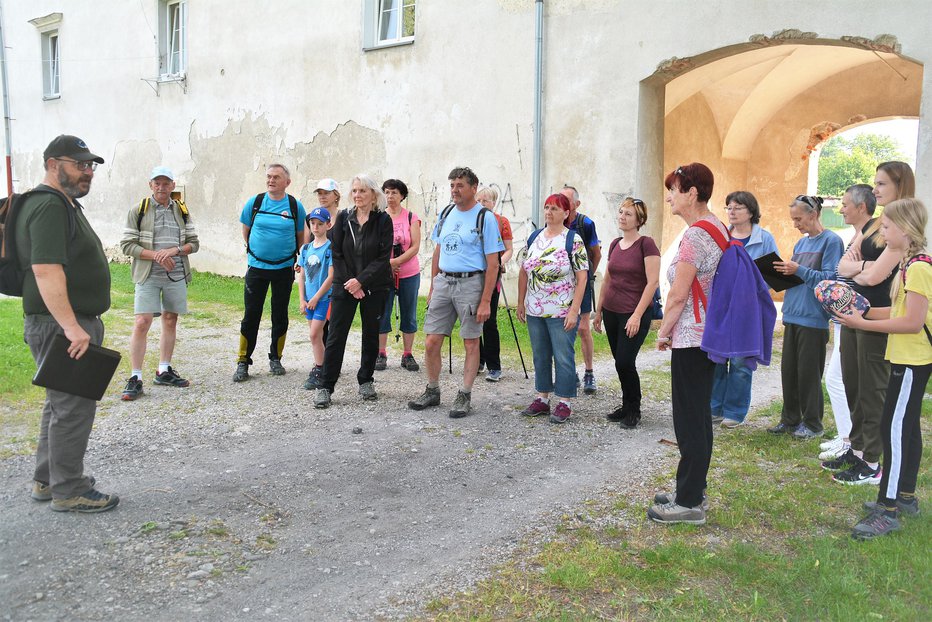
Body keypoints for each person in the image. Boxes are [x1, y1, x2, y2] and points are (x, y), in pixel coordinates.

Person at [16, 134, 118, 512]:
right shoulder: (49, 206)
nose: (87, 172)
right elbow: (45, 270)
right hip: (63, 325)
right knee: (73, 407)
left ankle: (47, 480)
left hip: (62, 322)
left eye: (90, 166)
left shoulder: (61, 203)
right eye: (79, 164)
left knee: (59, 405)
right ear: (52, 164)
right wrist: (73, 327)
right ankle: (69, 489)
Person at [835, 198, 930, 539]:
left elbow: (912, 322)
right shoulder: (910, 264)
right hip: (905, 359)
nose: (882, 231)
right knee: (904, 429)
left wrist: (864, 326)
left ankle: (887, 508)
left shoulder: (919, 267)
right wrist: (860, 315)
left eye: (887, 227)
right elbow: (895, 312)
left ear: (905, 230)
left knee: (894, 433)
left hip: (911, 360)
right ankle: (904, 497)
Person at [647, 163, 726, 526]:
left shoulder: (696, 235)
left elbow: (677, 296)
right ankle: (692, 489)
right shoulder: (717, 227)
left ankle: (689, 502)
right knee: (699, 418)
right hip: (707, 335)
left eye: (675, 190)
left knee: (690, 420)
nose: (669, 197)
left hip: (693, 337)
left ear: (692, 192)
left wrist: (664, 332)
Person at [828, 162, 914, 484]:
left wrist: (860, 267)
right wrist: (863, 267)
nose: (875, 189)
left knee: (872, 389)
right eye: (875, 183)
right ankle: (858, 448)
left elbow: (876, 274)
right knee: (854, 383)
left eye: (882, 183)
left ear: (899, 184)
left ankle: (872, 462)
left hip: (877, 314)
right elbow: (842, 265)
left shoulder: (903, 221)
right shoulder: (877, 224)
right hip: (854, 311)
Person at [408, 167, 505, 418]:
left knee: (471, 341)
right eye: (452, 185)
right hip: (444, 282)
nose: (454, 190)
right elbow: (438, 250)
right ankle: (432, 389)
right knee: (431, 340)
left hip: (471, 283)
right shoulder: (447, 212)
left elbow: (493, 263)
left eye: (460, 185)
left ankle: (465, 394)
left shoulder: (485, 218)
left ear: (474, 188)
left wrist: (485, 301)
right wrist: (433, 284)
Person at [119, 166, 200, 400]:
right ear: (150, 185)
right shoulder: (139, 210)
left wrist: (173, 251)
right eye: (157, 183)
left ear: (173, 186)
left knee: (170, 319)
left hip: (175, 275)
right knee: (142, 321)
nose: (161, 187)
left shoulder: (182, 211)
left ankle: (163, 370)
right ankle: (135, 377)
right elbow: (127, 245)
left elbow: (194, 243)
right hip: (148, 275)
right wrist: (156, 255)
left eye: (166, 183)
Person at [766, 195, 843, 439]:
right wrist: (781, 274)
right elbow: (801, 276)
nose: (795, 224)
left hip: (814, 317)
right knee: (789, 371)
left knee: (809, 374)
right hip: (793, 314)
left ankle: (813, 425)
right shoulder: (801, 244)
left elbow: (830, 280)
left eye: (798, 219)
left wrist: (798, 270)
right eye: (793, 219)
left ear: (813, 214)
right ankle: (790, 420)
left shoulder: (831, 241)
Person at [314, 174, 393, 408]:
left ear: (373, 195)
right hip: (344, 285)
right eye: (355, 191)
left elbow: (383, 257)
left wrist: (361, 281)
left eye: (363, 191)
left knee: (371, 334)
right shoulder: (343, 219)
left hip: (373, 286)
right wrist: (351, 281)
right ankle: (326, 386)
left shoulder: (382, 221)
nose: (358, 195)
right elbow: (336, 254)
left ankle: (366, 380)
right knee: (336, 335)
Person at [517, 193, 588, 423]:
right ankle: (543, 398)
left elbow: (582, 277)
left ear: (566, 213)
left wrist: (575, 309)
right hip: (535, 309)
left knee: (563, 355)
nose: (549, 212)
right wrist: (521, 301)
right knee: (540, 355)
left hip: (561, 310)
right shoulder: (535, 237)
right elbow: (524, 270)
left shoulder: (573, 240)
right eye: (547, 207)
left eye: (555, 208)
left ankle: (565, 401)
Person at [709, 191, 777, 428]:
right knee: (717, 356)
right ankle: (714, 407)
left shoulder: (763, 239)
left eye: (737, 207)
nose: (731, 211)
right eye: (728, 207)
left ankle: (734, 412)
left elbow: (772, 275)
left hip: (749, 309)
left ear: (750, 210)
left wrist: (748, 289)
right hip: (722, 306)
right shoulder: (722, 237)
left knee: (740, 360)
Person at [233, 164, 306, 382]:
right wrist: (256, 252)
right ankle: (243, 361)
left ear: (287, 182)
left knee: (280, 314)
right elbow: (246, 231)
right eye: (268, 177)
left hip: (284, 269)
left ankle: (276, 358)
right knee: (251, 315)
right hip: (257, 269)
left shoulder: (295, 206)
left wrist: (293, 257)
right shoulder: (254, 203)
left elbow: (301, 236)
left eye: (276, 177)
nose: (271, 180)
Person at [592, 197, 660, 429]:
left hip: (633, 314)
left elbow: (652, 283)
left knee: (625, 361)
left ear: (639, 219)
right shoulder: (614, 244)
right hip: (611, 311)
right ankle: (626, 405)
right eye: (621, 212)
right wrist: (599, 311)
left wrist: (637, 315)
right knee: (619, 362)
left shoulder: (646, 244)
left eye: (628, 214)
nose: (622, 216)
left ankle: (634, 410)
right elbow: (608, 279)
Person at [375, 178, 422, 372]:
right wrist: (386, 264)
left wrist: (396, 262)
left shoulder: (411, 217)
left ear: (402, 196)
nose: (390, 196)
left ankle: (407, 354)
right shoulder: (378, 217)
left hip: (408, 273)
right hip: (383, 275)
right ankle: (381, 353)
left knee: (409, 313)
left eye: (394, 192)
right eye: (386, 192)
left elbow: (415, 246)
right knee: (382, 313)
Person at [560, 185, 601, 394]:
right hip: (559, 284)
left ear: (576, 203)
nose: (563, 203)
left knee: (583, 328)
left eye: (567, 200)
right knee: (563, 329)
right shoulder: (556, 222)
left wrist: (587, 275)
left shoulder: (585, 224)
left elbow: (596, 253)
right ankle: (570, 372)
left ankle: (589, 372)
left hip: (581, 282)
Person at [477, 185, 514, 382]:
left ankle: (494, 366)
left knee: (489, 320)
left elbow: (509, 249)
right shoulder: (472, 219)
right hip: (472, 275)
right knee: (472, 319)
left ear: (494, 202)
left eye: (486, 200)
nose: (482, 204)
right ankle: (478, 360)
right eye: (479, 200)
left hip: (492, 275)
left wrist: (500, 262)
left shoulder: (502, 221)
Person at [297, 207, 334, 391]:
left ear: (328, 224)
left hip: (323, 299)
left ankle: (320, 369)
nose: (316, 227)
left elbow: (331, 277)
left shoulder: (330, 248)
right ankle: (321, 366)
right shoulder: (306, 249)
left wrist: (317, 298)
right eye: (313, 223)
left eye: (320, 224)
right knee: (315, 337)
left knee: (314, 334)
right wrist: (302, 299)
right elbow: (302, 276)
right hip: (309, 300)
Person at [304, 178, 340, 244]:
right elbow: (306, 248)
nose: (322, 197)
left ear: (336, 196)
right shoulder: (310, 217)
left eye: (326, 193)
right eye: (320, 193)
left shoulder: (344, 217)